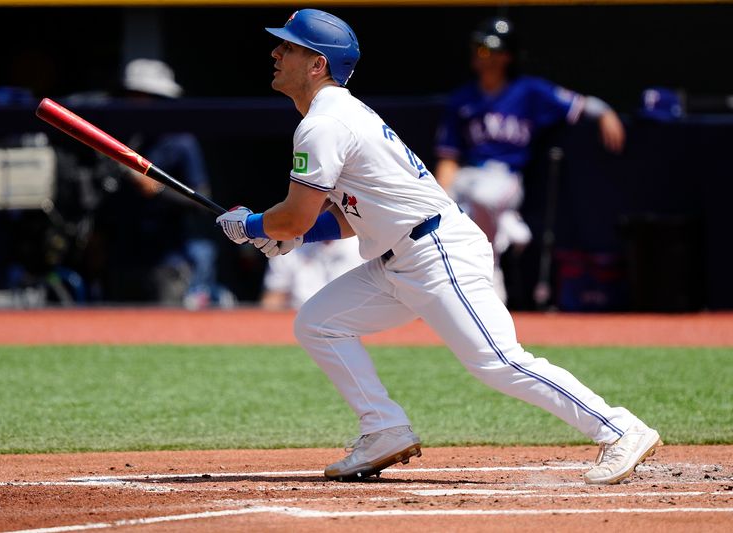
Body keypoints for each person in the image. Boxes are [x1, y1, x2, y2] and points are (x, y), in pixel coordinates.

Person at [216, 8, 660, 485]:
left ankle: (620, 428)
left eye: (288, 46)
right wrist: (293, 234)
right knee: (319, 323)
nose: (275, 53)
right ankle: (383, 428)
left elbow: (295, 214)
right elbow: (345, 216)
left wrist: (255, 223)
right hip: (398, 256)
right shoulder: (338, 116)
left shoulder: (325, 124)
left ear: (317, 63)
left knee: (497, 361)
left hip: (435, 250)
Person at [433, 17, 626, 303]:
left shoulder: (529, 91)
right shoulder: (462, 99)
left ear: (506, 56)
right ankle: (505, 231)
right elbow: (448, 158)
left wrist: (606, 113)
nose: (479, 56)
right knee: (441, 212)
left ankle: (494, 264)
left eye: (487, 50)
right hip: (469, 175)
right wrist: (439, 196)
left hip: (503, 177)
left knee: (484, 197)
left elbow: (580, 104)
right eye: (477, 49)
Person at [96, 58, 224, 308]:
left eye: (142, 96)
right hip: (121, 256)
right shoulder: (123, 138)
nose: (133, 102)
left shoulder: (180, 142)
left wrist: (158, 189)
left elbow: (202, 200)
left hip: (166, 260)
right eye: (130, 95)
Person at [261, 236, 364, 310]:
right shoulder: (290, 246)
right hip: (298, 317)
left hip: (348, 319)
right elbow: (275, 295)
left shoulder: (363, 245)